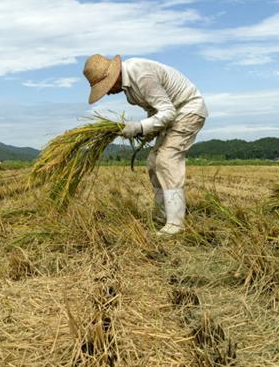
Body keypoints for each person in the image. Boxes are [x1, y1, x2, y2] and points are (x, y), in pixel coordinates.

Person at [83, 54, 208, 235]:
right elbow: (154, 109)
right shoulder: (129, 89)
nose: (108, 93)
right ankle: (161, 215)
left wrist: (139, 127)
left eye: (107, 87)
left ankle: (176, 225)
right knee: (152, 164)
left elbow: (168, 112)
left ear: (114, 76)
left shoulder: (141, 75)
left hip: (188, 110)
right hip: (173, 114)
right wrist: (148, 130)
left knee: (166, 160)